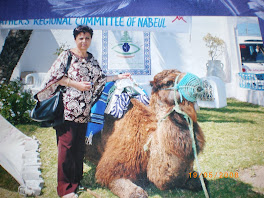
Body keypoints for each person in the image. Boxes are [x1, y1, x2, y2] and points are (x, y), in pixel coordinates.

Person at [35, 25, 131, 198]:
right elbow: (54, 77)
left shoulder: (91, 59)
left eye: (87, 38)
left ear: (90, 40)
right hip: (67, 111)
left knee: (79, 149)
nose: (84, 41)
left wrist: (119, 77)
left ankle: (75, 182)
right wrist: (75, 84)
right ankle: (65, 190)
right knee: (66, 148)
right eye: (81, 38)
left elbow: (100, 79)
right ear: (75, 39)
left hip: (84, 113)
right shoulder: (67, 56)